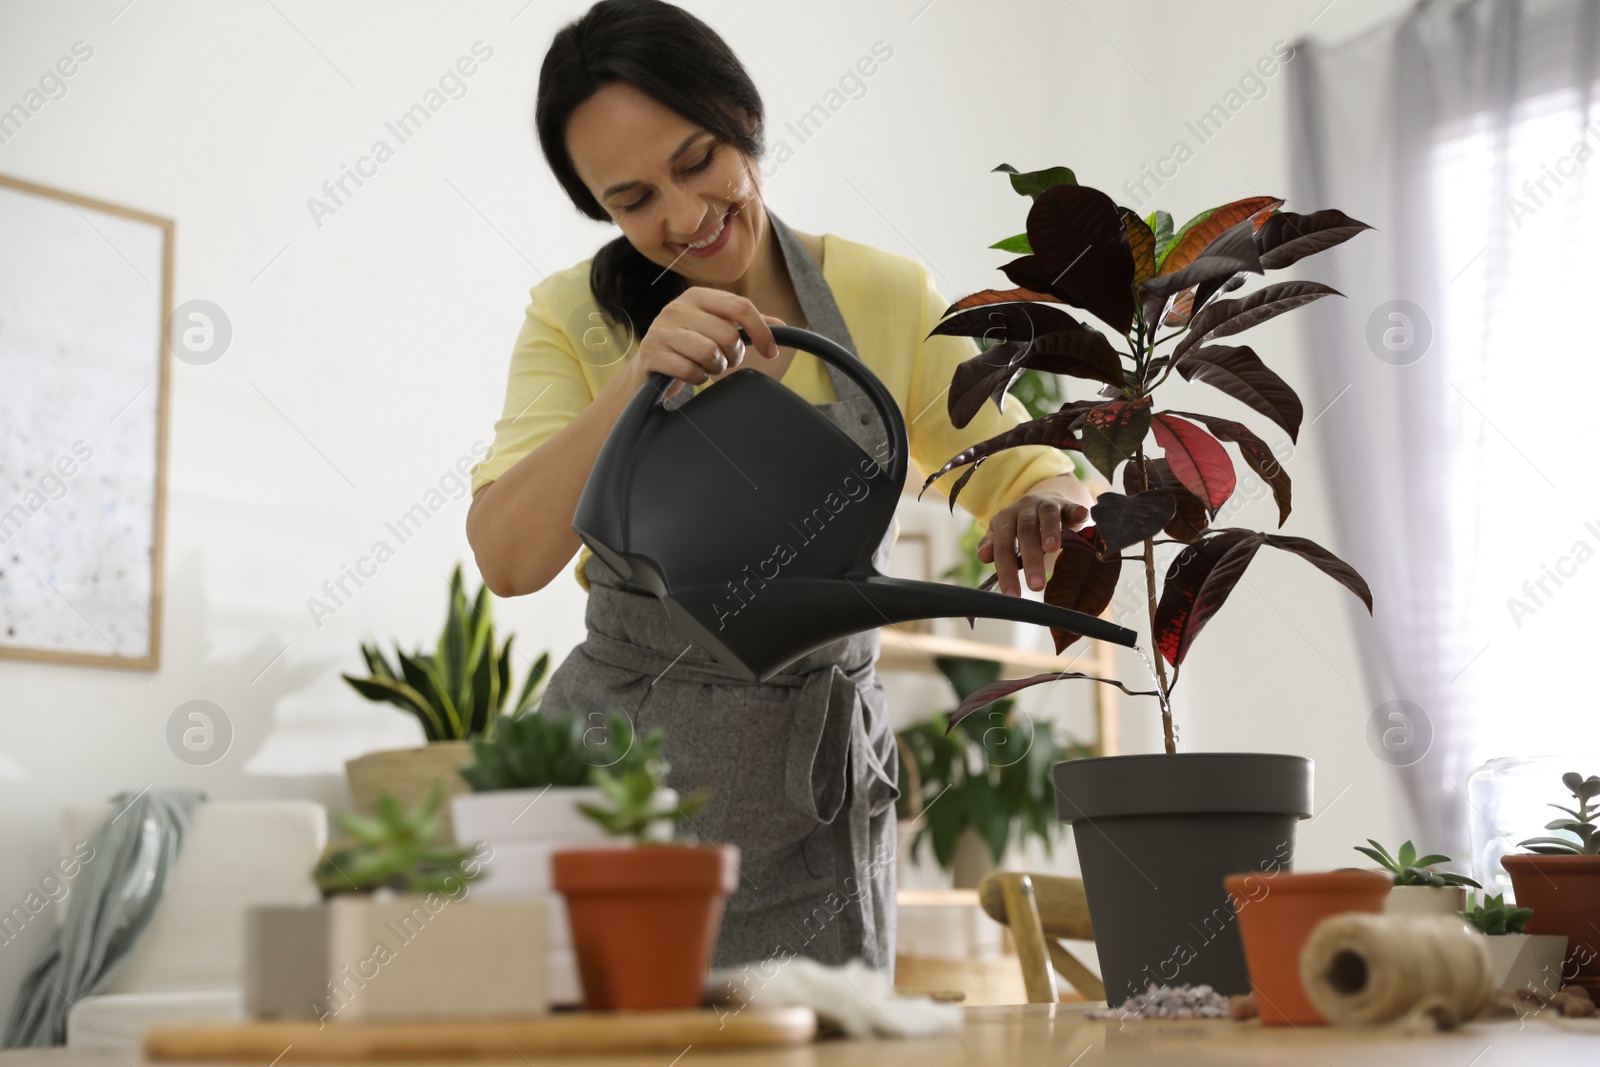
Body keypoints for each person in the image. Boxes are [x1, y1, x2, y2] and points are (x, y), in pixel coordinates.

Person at [465, 0, 1092, 974]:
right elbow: (507, 558)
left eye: (697, 159)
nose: (678, 216)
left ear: (743, 121)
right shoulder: (574, 318)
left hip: (818, 798)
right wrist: (636, 377)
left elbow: (1011, 459)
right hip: (620, 794)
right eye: (631, 199)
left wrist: (1039, 492)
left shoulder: (883, 294)